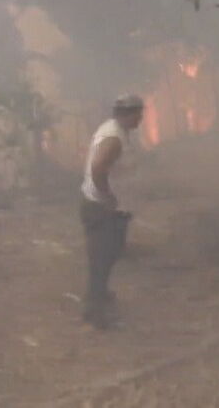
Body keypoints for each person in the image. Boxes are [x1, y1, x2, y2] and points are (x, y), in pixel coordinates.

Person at [79, 93, 144, 329]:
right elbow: (98, 167)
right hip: (103, 209)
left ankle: (100, 295)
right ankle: (95, 313)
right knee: (102, 260)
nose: (141, 119)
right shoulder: (114, 138)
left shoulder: (115, 130)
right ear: (129, 114)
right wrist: (107, 196)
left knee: (111, 253)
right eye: (138, 114)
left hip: (110, 207)